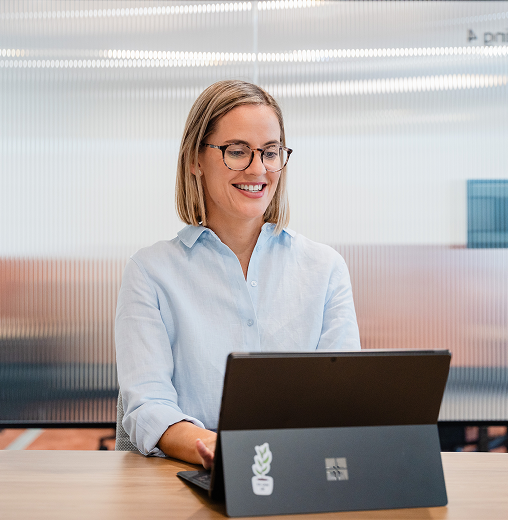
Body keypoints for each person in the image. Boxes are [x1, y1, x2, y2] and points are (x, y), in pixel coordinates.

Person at [115, 80, 360, 469]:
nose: (258, 169)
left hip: (303, 477)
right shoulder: (150, 272)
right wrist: (226, 454)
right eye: (237, 152)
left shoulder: (325, 268)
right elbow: (149, 408)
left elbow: (343, 402)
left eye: (271, 152)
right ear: (196, 159)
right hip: (192, 479)